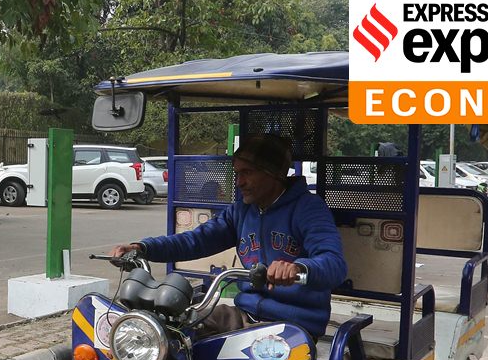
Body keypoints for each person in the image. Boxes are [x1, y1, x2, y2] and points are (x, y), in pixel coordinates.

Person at [110, 134, 347, 338]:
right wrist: (144, 248)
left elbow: (334, 263)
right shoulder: (241, 211)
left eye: (247, 173)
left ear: (274, 174)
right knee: (174, 332)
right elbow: (196, 241)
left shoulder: (308, 208)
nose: (239, 182)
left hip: (294, 324)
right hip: (245, 314)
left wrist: (298, 269)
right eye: (237, 173)